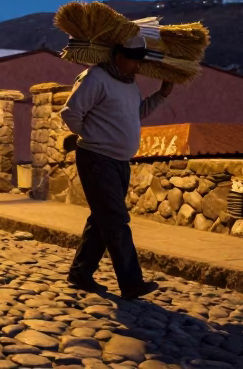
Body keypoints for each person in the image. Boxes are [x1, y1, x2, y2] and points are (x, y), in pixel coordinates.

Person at [60, 33, 174, 299]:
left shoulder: (128, 83)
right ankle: (131, 282)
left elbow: (138, 114)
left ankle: (80, 273)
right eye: (134, 61)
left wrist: (162, 94)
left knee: (103, 219)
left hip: (120, 161)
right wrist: (88, 137)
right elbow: (70, 112)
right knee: (117, 221)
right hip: (97, 159)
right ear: (119, 56)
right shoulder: (95, 78)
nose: (138, 66)